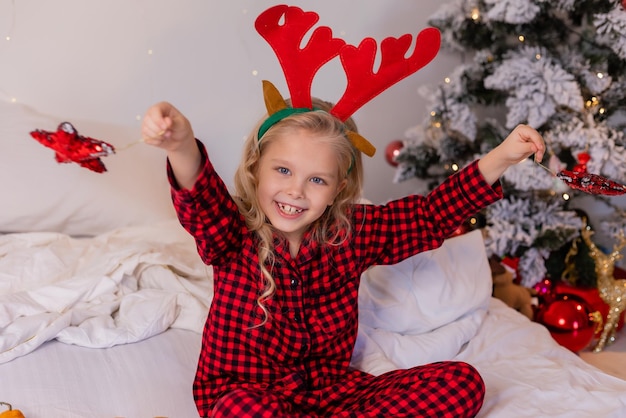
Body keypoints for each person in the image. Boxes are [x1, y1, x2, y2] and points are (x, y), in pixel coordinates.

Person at [141, 98, 545, 417]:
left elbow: (428, 216)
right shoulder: (232, 233)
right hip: (247, 394)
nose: (296, 191)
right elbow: (200, 198)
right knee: (242, 410)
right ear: (256, 169)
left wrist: (502, 158)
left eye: (317, 179)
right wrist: (181, 144)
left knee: (462, 383)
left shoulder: (351, 233)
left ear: (337, 189)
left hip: (333, 395)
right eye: (282, 171)